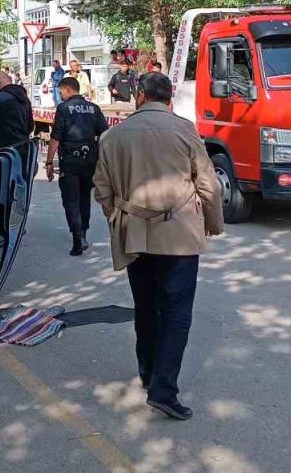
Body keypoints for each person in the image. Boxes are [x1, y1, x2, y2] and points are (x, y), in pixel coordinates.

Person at [93, 72, 223, 421]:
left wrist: (119, 217)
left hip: (134, 234)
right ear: (169, 99)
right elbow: (208, 185)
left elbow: (102, 189)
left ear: (139, 96)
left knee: (146, 306)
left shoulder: (113, 135)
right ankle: (164, 390)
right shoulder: (184, 130)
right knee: (177, 312)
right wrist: (212, 223)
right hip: (180, 235)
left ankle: (148, 372)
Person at [46, 77, 109, 256]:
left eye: (61, 92)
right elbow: (105, 134)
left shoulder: (63, 108)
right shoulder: (94, 108)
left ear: (67, 89)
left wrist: (49, 162)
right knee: (84, 196)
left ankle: (77, 237)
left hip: (70, 160)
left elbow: (56, 137)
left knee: (71, 199)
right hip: (90, 160)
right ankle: (84, 233)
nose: (60, 95)